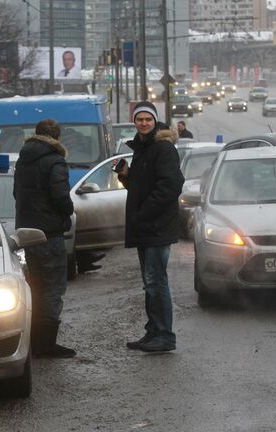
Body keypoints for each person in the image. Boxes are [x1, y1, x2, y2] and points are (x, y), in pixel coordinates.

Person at [116, 101, 184, 353]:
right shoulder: (143, 148)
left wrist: (143, 214)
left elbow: (169, 187)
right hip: (145, 226)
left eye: (148, 119)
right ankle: (153, 330)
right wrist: (126, 176)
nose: (143, 123)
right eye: (139, 119)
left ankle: (165, 335)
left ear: (155, 121)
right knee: (149, 282)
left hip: (157, 227)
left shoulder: (163, 148)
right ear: (134, 122)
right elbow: (142, 186)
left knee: (156, 281)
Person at [14, 119, 76, 358]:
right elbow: (61, 196)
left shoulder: (23, 159)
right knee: (53, 288)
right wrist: (66, 212)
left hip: (28, 233)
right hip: (49, 233)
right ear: (57, 138)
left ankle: (34, 341)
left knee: (36, 287)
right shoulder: (55, 160)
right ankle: (46, 344)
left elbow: (16, 193)